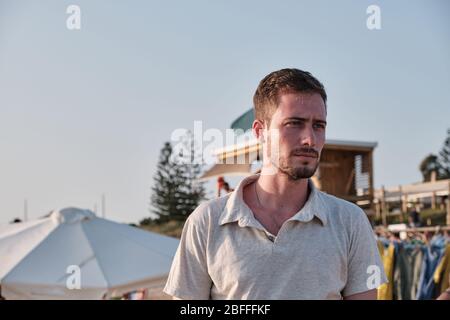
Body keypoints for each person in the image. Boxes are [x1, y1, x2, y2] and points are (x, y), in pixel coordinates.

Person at [164, 68, 387, 300]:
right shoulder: (207, 222)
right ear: (260, 131)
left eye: (318, 126)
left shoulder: (350, 222)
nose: (310, 139)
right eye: (294, 123)